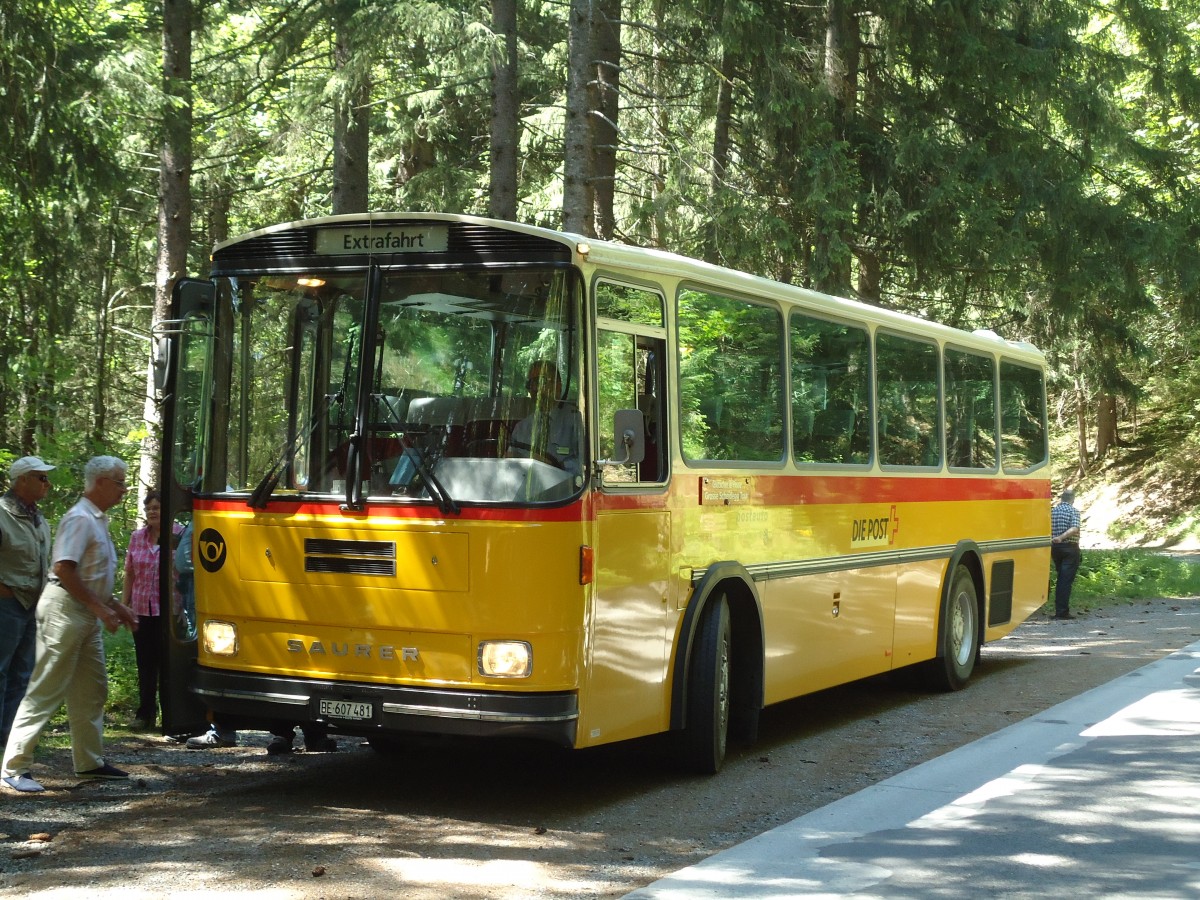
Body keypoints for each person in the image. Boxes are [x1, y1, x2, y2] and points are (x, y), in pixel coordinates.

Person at [2, 456, 138, 792]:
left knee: (92, 688)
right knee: (45, 688)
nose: (124, 489)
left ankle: (89, 762)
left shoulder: (97, 519)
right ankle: (13, 767)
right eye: (120, 483)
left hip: (85, 612)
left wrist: (114, 604)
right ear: (100, 482)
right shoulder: (79, 518)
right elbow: (64, 569)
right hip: (64, 610)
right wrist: (100, 607)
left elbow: (91, 575)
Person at [0, 456, 55, 750]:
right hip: (6, 606)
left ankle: (10, 737)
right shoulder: (1, 513)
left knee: (23, 674)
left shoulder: (39, 518)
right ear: (22, 480)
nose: (48, 484)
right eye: (41, 478)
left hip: (32, 607)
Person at [121, 490, 182, 731]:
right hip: (141, 610)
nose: (152, 512)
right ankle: (145, 714)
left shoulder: (180, 535)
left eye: (156, 507)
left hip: (170, 612)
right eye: (149, 508)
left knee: (168, 665)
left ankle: (172, 717)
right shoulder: (137, 537)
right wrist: (124, 605)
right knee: (145, 664)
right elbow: (130, 573)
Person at [509, 361, 582, 474]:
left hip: (567, 484)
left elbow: (587, 464)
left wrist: (557, 466)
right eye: (530, 384)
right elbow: (509, 466)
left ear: (557, 385)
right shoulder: (522, 428)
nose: (535, 388)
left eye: (540, 381)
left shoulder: (576, 421)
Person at [1050, 487, 1082, 621]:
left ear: (1061, 498)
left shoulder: (1053, 511)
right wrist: (1061, 537)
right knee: (1065, 580)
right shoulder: (1073, 511)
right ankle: (1062, 611)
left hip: (1055, 549)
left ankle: (1060, 609)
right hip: (1069, 548)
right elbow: (1074, 528)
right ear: (1072, 500)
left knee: (1061, 578)